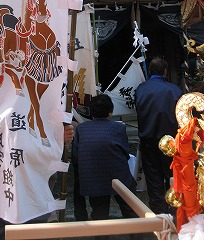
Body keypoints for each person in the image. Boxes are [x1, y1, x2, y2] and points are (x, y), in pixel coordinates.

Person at [72, 94, 137, 233]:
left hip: (93, 178)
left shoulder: (81, 129)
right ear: (110, 112)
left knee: (100, 216)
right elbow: (125, 153)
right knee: (129, 210)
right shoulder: (118, 128)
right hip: (118, 176)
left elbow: (76, 157)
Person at [135, 57, 182, 214]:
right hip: (171, 141)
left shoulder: (141, 89)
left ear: (150, 71)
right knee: (173, 176)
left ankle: (159, 214)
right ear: (165, 71)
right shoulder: (175, 90)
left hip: (149, 140)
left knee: (154, 178)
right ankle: (175, 211)